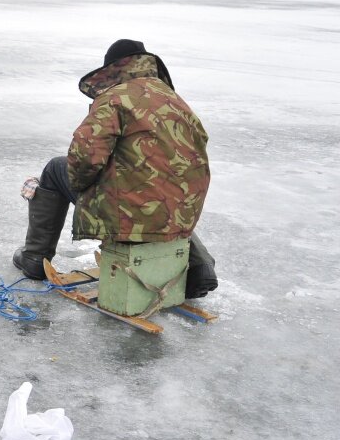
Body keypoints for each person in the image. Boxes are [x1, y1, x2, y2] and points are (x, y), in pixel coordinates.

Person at [12, 39, 218, 298]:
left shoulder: (115, 97)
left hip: (132, 211)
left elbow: (85, 154)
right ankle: (201, 264)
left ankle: (34, 257)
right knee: (161, 192)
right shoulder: (176, 101)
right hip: (183, 209)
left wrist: (83, 190)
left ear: (114, 68)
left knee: (56, 169)